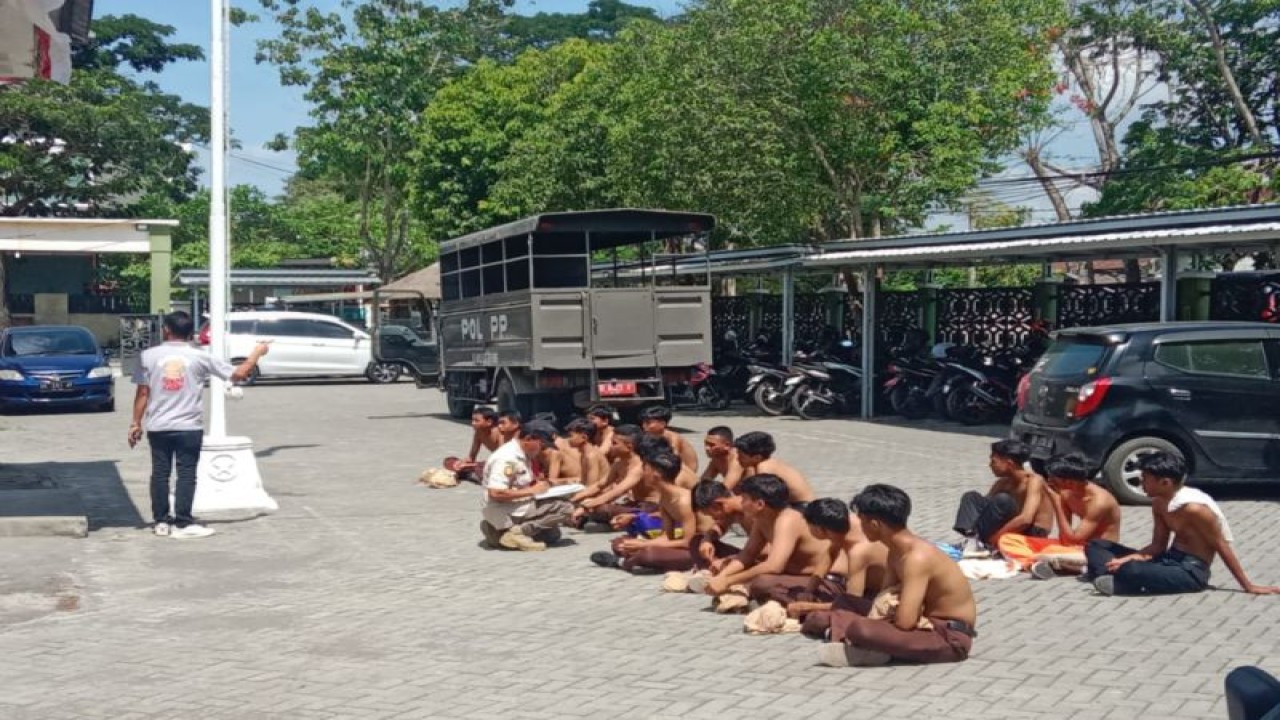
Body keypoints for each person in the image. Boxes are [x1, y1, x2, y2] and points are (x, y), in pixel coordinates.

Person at [128, 311, 270, 539]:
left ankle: (161, 521)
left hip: (158, 425)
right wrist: (256, 353)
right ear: (190, 333)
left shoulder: (148, 356)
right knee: (186, 474)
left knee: (160, 473)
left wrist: (135, 423)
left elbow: (142, 392)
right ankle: (183, 520)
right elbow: (239, 374)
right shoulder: (200, 356)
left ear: (166, 330)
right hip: (189, 426)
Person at [819, 484, 978, 667]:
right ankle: (859, 643)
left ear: (874, 524)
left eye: (862, 521)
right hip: (916, 622)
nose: (860, 527)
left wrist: (869, 622)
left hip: (947, 636)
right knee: (843, 603)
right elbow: (884, 598)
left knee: (860, 629)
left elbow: (905, 622)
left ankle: (858, 643)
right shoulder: (895, 551)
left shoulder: (916, 558)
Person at [1085, 452, 1280, 597]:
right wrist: (1129, 557)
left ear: (1165, 482)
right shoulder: (1159, 503)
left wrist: (1248, 585)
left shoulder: (1195, 509)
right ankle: (1111, 576)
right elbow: (1158, 546)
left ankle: (1116, 581)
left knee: (1132, 569)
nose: (1141, 483)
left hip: (1189, 571)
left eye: (1146, 479)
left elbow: (1221, 546)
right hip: (1166, 559)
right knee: (1096, 546)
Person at [702, 474, 829, 604]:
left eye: (744, 499)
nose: (741, 503)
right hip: (794, 576)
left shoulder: (788, 519)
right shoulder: (761, 520)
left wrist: (728, 581)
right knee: (745, 575)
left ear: (760, 504)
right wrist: (722, 577)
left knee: (762, 583)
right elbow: (748, 554)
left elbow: (774, 566)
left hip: (823, 580)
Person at [996, 453, 1121, 578]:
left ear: (1069, 482)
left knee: (1049, 552)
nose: (1050, 481)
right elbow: (1065, 539)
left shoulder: (1099, 502)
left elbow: (1073, 539)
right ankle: (1040, 562)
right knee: (1008, 539)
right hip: (1072, 546)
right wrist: (1059, 501)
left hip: (1096, 551)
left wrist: (1056, 501)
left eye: (1054, 478)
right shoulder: (1067, 493)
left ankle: (1033, 562)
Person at [591, 452, 700, 572]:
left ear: (656, 474)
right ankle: (644, 561)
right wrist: (641, 543)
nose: (642, 473)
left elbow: (688, 542)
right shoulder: (665, 498)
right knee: (621, 543)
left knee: (648, 554)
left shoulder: (683, 501)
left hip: (698, 550)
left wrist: (645, 545)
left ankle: (623, 562)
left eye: (645, 469)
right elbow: (667, 537)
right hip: (679, 546)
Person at [785, 498, 890, 623]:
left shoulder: (858, 553)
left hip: (883, 596)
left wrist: (807, 607)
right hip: (862, 588)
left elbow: (852, 603)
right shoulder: (848, 523)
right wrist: (809, 589)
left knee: (818, 620)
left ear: (819, 529)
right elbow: (831, 553)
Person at [479, 423, 574, 552]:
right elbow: (496, 493)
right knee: (566, 508)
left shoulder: (523, 453)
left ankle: (497, 532)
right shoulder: (507, 459)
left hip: (515, 505)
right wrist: (532, 491)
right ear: (528, 438)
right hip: (505, 508)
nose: (542, 449)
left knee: (552, 535)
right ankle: (516, 533)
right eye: (541, 444)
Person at [953, 439, 1052, 548]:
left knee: (1003, 500)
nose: (990, 465)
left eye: (993, 461)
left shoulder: (1034, 481)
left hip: (1033, 532)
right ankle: (973, 538)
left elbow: (1026, 519)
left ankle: (982, 543)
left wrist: (996, 537)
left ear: (1009, 463)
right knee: (971, 497)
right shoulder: (1002, 483)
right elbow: (984, 512)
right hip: (1014, 527)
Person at [570, 424, 649, 526]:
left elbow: (618, 491)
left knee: (601, 508)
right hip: (635, 503)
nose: (610, 447)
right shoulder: (618, 463)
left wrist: (587, 506)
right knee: (589, 502)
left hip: (650, 506)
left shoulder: (640, 465)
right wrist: (573, 499)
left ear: (629, 446)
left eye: (614, 443)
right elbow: (600, 485)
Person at [733, 431, 816, 507]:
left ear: (757, 457)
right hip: (802, 504)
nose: (737, 458)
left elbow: (764, 497)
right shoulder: (768, 463)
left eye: (741, 456)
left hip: (802, 507)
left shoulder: (764, 467)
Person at [639, 405, 699, 473]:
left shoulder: (672, 438)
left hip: (684, 471)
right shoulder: (649, 436)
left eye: (648, 423)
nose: (643, 426)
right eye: (643, 422)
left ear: (662, 424)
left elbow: (673, 460)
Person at [556, 418, 609, 487]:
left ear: (584, 437)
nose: (568, 439)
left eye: (571, 436)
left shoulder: (591, 456)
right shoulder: (584, 454)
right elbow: (583, 481)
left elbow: (591, 486)